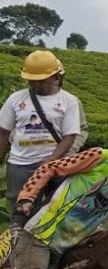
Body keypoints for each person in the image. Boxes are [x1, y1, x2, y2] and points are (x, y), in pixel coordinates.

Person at [2, 136, 108, 269]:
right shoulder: (100, 157)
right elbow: (50, 168)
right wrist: (27, 197)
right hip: (41, 234)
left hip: (67, 245)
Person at [0, 50, 81, 213]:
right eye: (31, 81)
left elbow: (69, 136)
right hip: (20, 165)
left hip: (56, 165)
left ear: (55, 77)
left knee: (55, 209)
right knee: (20, 209)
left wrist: (50, 161)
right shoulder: (15, 99)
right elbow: (3, 132)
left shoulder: (68, 101)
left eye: (41, 81)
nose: (35, 84)